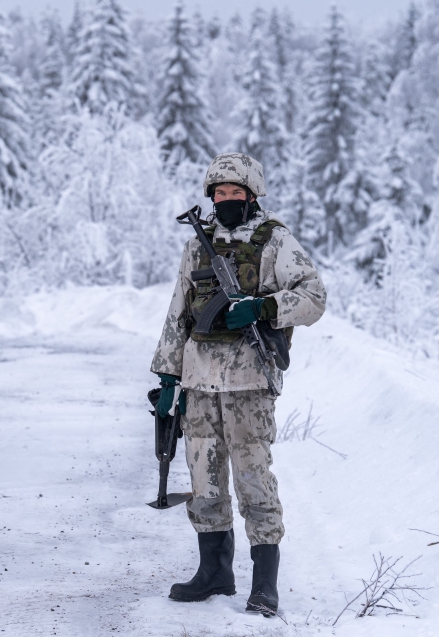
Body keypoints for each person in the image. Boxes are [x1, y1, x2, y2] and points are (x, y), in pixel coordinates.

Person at [150, 152, 326, 617]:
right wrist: (168, 375)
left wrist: (264, 308)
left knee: (253, 479)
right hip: (199, 382)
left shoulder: (275, 242)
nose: (227, 200)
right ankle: (214, 572)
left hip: (249, 381)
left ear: (252, 196)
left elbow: (313, 297)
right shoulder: (198, 244)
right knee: (204, 479)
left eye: (236, 193)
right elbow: (178, 312)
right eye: (220, 193)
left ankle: (264, 585)